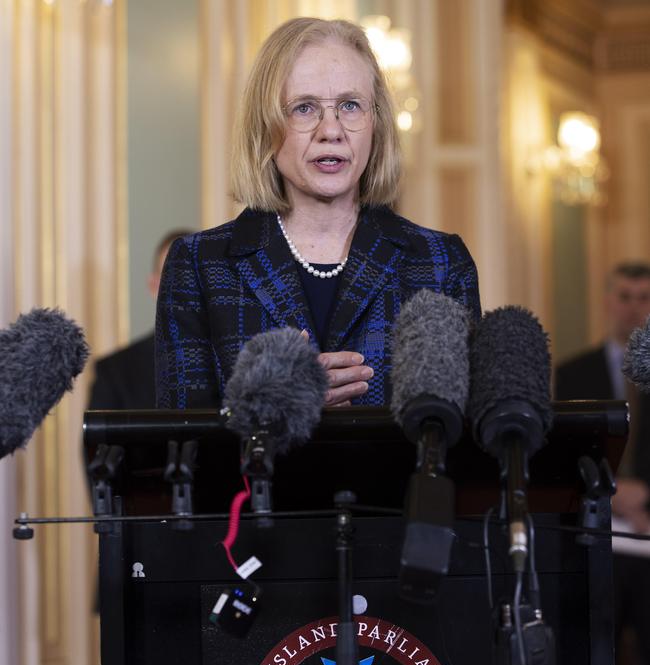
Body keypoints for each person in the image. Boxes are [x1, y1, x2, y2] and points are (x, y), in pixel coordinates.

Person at [155, 17, 480, 411]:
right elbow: (184, 449)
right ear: (266, 125)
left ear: (375, 123)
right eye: (305, 108)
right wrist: (276, 411)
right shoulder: (200, 265)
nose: (332, 130)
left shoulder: (441, 262)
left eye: (350, 105)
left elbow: (464, 440)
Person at [555, 261, 650, 665]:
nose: (635, 305)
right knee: (596, 661)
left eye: (644, 296)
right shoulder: (574, 371)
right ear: (608, 300)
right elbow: (568, 450)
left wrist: (645, 496)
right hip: (598, 536)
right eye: (626, 295)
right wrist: (617, 492)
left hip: (649, 537)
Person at [88, 229, 193, 411]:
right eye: (172, 275)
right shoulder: (115, 373)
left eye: (192, 276)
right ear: (153, 287)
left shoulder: (236, 368)